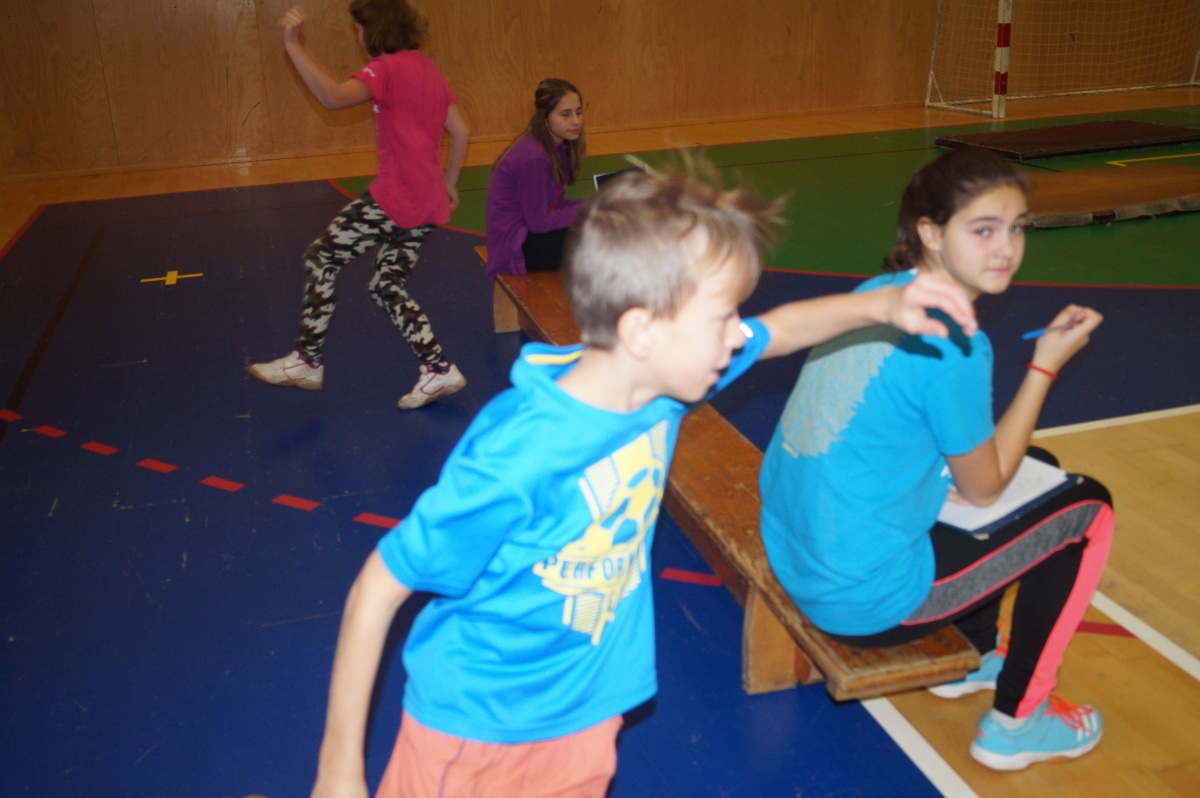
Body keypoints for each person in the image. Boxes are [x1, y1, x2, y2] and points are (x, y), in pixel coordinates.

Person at [308, 164, 979, 798]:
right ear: (642, 330)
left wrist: (881, 305)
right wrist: (339, 770)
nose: (735, 336)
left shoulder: (657, 387)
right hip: (479, 731)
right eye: (721, 318)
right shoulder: (521, 453)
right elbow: (378, 588)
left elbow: (777, 332)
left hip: (585, 717)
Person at [759, 147, 1115, 771]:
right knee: (1088, 510)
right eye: (984, 230)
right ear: (929, 232)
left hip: (800, 553)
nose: (1006, 248)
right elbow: (985, 491)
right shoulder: (954, 345)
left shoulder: (879, 294)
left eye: (1017, 228)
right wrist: (1044, 367)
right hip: (862, 599)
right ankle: (1016, 723)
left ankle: (972, 657)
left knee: (1039, 462)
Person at [247, 1, 470, 411]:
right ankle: (438, 368)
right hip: (427, 198)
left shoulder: (384, 69)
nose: (359, 38)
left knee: (321, 258)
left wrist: (293, 44)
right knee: (386, 285)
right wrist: (450, 181)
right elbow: (460, 130)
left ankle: (307, 361)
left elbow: (332, 98)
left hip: (395, 197)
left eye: (358, 30)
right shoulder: (427, 67)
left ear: (374, 30)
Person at [483, 78, 585, 280]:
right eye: (565, 114)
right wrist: (589, 210)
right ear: (545, 117)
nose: (575, 121)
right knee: (604, 237)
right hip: (515, 247)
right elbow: (540, 222)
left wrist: (595, 203)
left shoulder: (555, 148)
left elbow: (555, 206)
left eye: (579, 112)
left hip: (528, 236)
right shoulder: (534, 157)